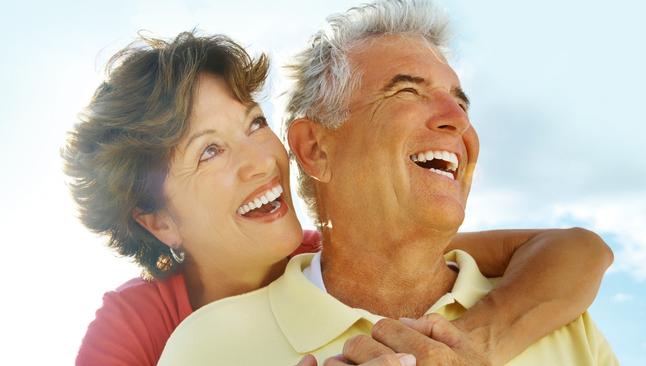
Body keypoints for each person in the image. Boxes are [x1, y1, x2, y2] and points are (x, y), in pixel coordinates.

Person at [65, 31, 611, 366]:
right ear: (159, 222)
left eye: (255, 123)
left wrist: (467, 345)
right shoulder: (143, 327)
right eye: (209, 152)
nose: (261, 159)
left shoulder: (339, 255)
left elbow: (575, 251)